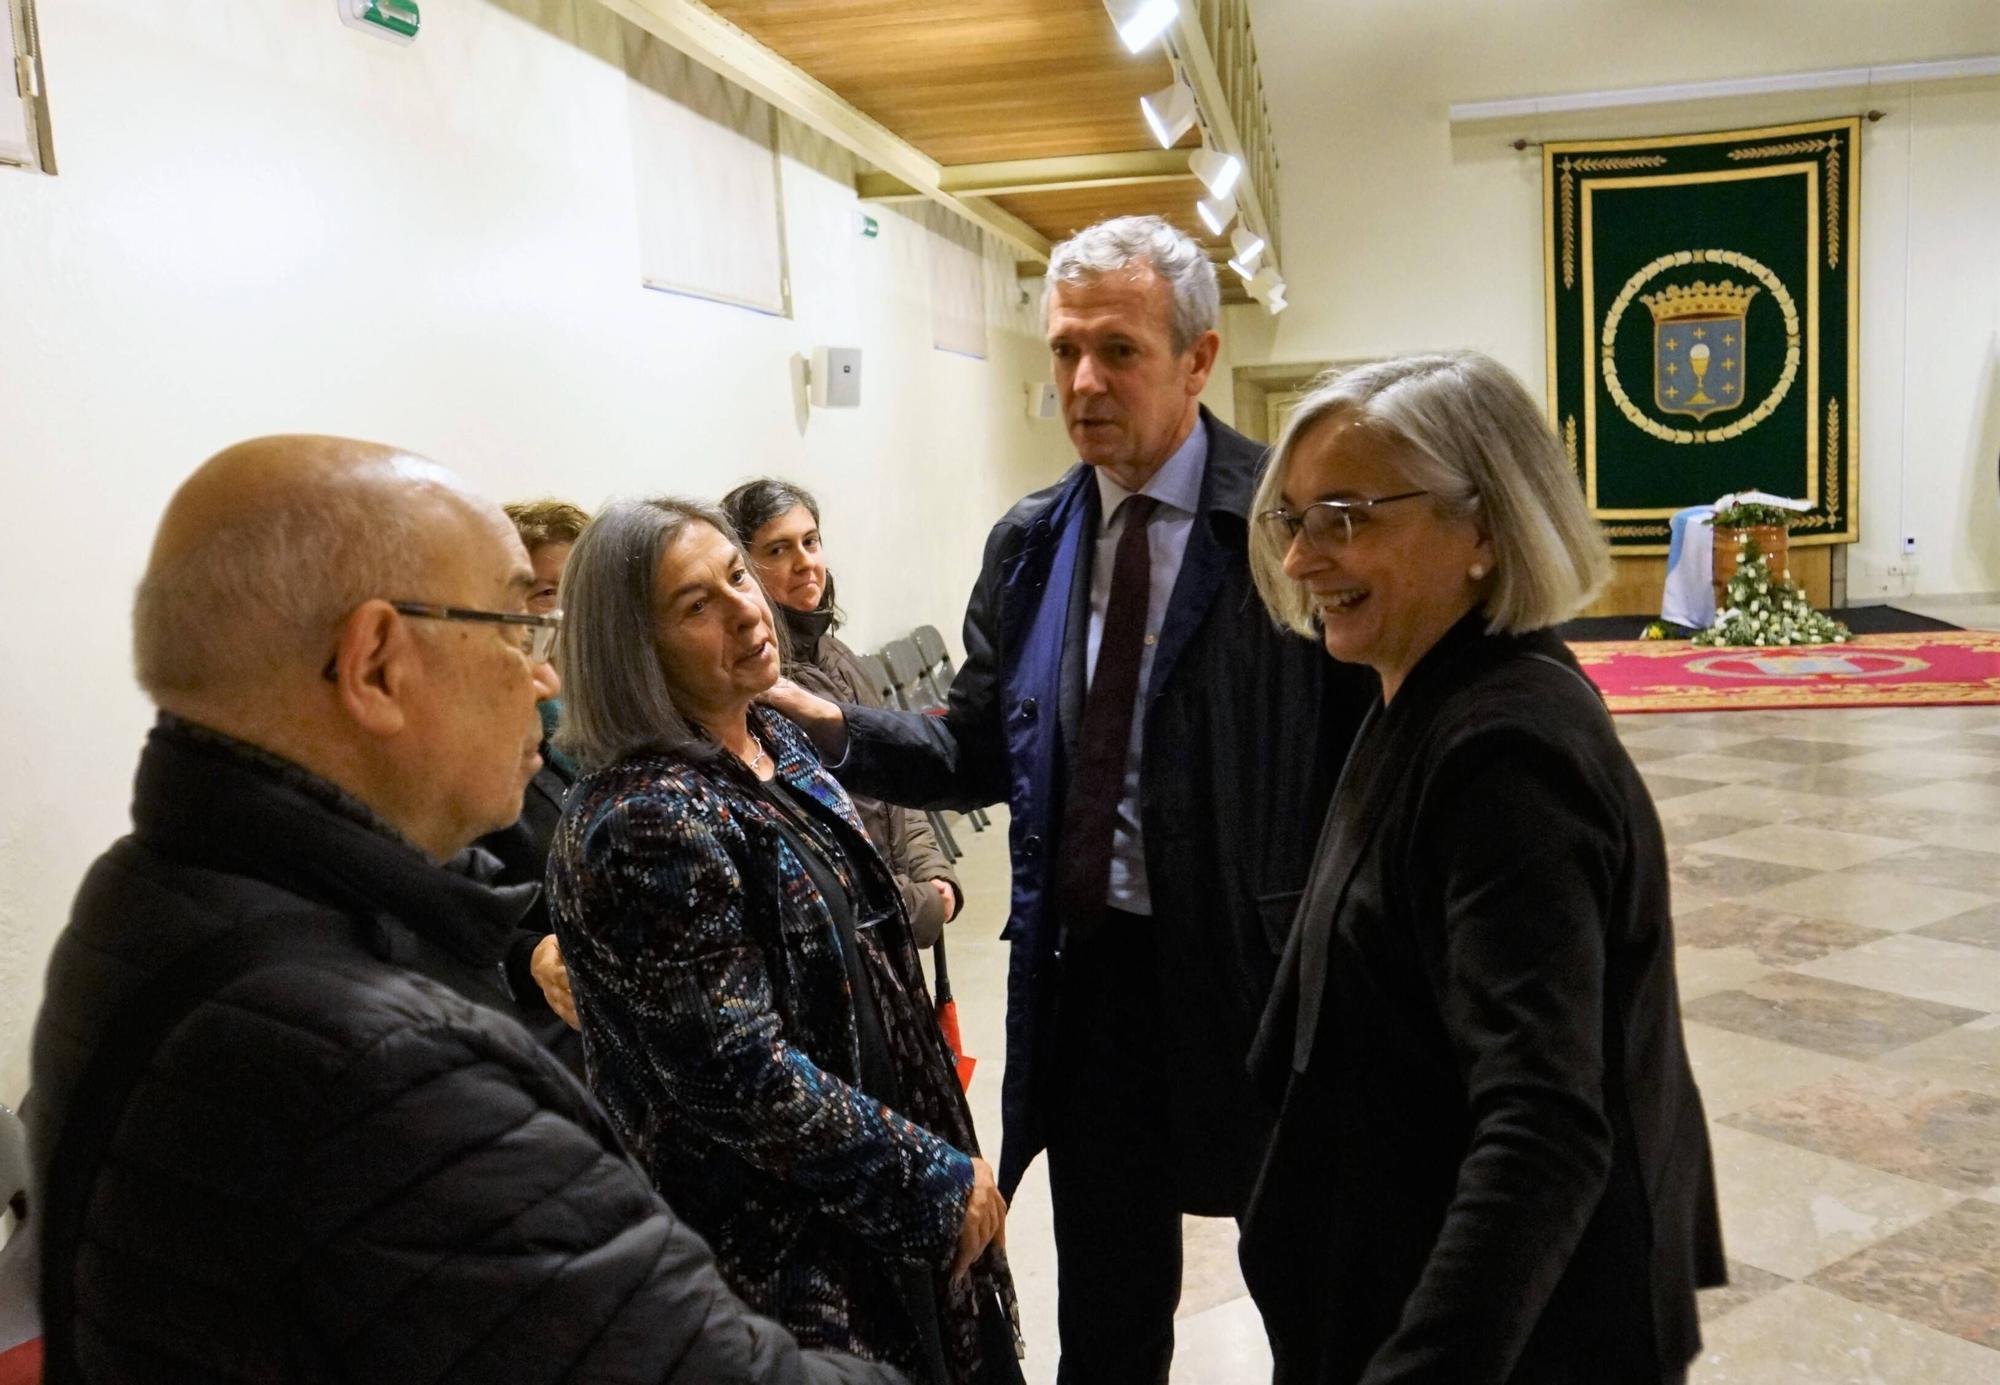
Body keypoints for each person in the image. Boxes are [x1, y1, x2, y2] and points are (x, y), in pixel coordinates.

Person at [27, 436, 898, 1385]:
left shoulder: (137, 896)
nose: (545, 677)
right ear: (376, 666)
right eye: (515, 630)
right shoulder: (378, 1064)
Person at [766, 214, 1372, 1383]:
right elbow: (980, 745)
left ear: (1197, 358)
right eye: (1062, 351)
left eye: (1118, 350)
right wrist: (832, 726)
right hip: (1087, 982)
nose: (1081, 382)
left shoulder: (1289, 525)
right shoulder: (1032, 541)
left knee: (1318, 1297)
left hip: (1263, 981)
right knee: (1105, 1318)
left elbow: (1368, 756)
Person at [1238, 353, 1726, 1383]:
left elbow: (1543, 1127)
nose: (1301, 560)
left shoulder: (1502, 755)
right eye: (1291, 520)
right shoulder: (1422, 690)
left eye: (1346, 515)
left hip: (1523, 1340)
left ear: (1484, 528)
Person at [545, 498, 1020, 1385]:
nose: (745, 607)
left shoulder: (771, 740)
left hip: (880, 1192)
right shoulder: (645, 818)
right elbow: (740, 1079)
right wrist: (928, 1178)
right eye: (697, 604)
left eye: (735, 574)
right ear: (633, 649)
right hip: (789, 1262)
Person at [722, 478, 963, 947]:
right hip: (852, 936)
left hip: (899, 910)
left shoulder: (836, 653)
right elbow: (821, 853)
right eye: (777, 550)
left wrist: (932, 871)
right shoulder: (759, 692)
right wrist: (920, 905)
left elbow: (897, 780)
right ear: (742, 570)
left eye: (810, 541)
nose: (804, 561)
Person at [479, 499, 591, 1062]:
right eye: (546, 595)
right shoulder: (488, 751)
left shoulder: (637, 721)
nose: (567, 616)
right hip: (551, 1038)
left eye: (581, 592)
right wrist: (531, 956)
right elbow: (463, 909)